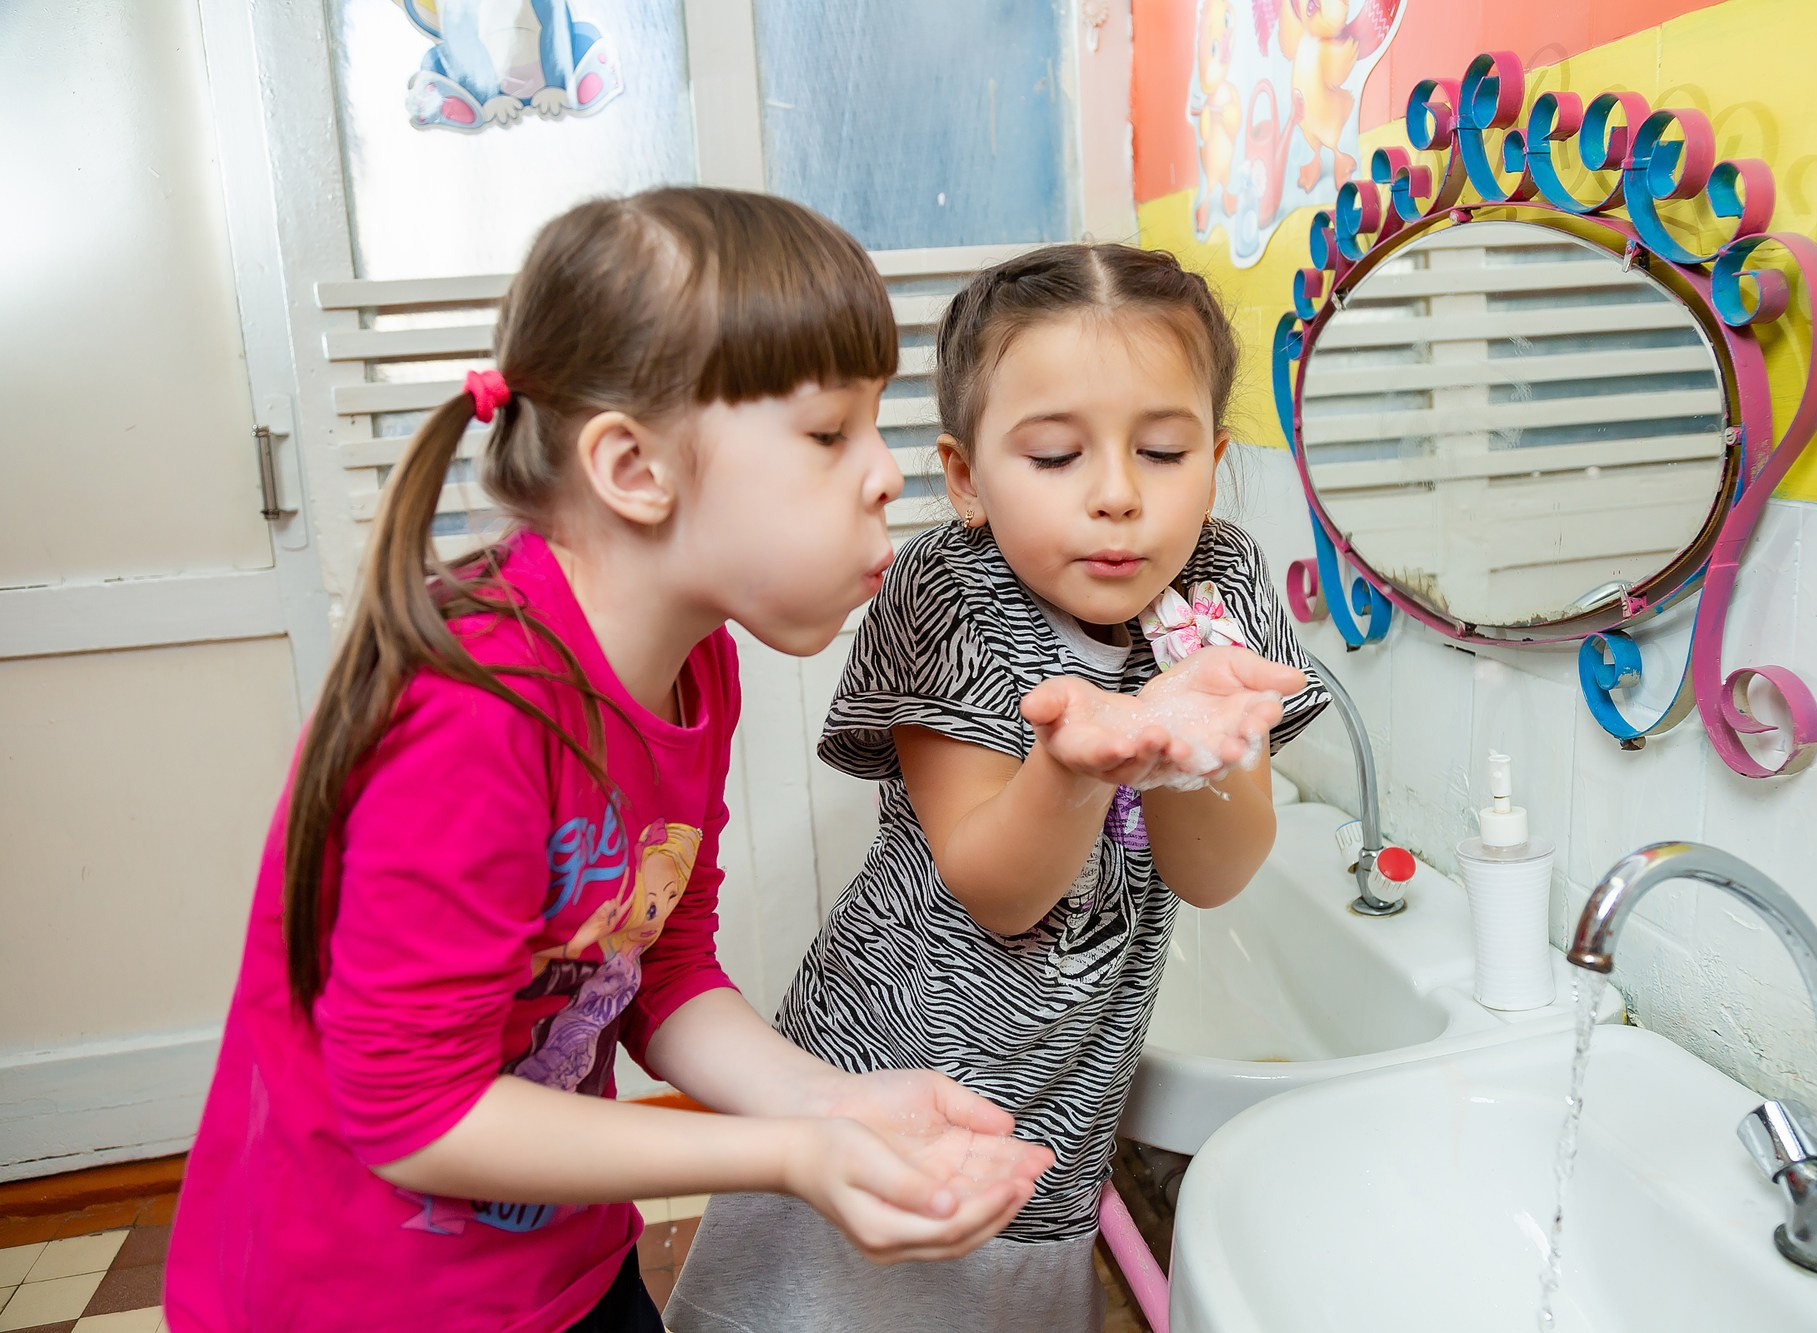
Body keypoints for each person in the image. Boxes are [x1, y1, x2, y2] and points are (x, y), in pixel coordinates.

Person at [163, 188, 1056, 1333]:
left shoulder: (697, 668)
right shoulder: (467, 707)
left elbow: (659, 966)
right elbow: (416, 1115)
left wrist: (832, 1105)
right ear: (634, 469)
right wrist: (783, 1154)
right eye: (830, 432)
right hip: (351, 1301)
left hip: (559, 1273)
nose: (885, 474)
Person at [668, 243, 1332, 1332]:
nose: (1117, 497)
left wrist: (1183, 734)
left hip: (1063, 1096)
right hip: (883, 1067)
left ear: (1213, 459)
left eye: (1162, 452)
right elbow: (998, 887)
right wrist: (1078, 763)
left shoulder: (1218, 582)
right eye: (1057, 456)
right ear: (967, 476)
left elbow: (1211, 872)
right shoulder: (952, 589)